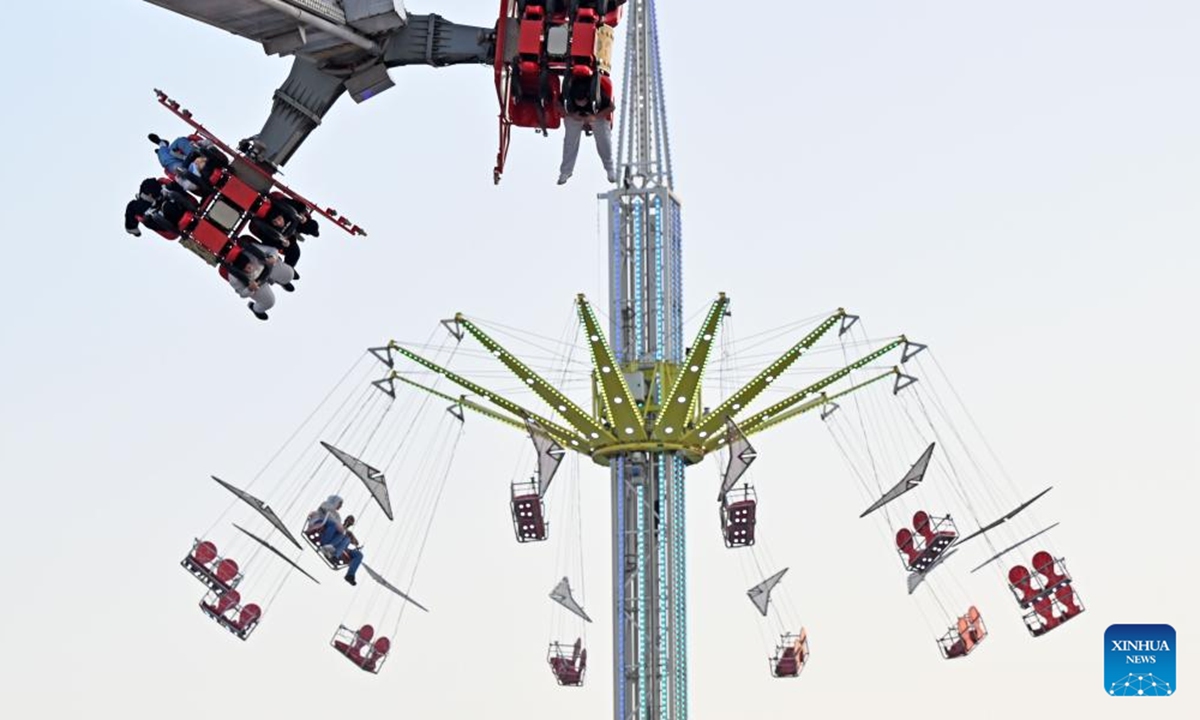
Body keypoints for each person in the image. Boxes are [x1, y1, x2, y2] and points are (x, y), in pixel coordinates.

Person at [218, 236, 296, 321]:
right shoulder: (233, 277)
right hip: (257, 284)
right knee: (269, 302)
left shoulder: (252, 250)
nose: (249, 269)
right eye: (244, 268)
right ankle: (255, 309)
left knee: (289, 275)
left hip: (266, 266)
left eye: (248, 264)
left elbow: (273, 250)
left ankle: (281, 281)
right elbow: (242, 294)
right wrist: (250, 289)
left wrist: (273, 257)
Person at [558, 79, 617, 185]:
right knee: (570, 141)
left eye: (582, 101)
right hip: (574, 115)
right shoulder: (569, 93)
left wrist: (594, 117)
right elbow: (557, 105)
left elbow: (611, 107)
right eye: (578, 101)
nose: (580, 104)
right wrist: (572, 115)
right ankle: (566, 172)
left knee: (603, 140)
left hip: (596, 114)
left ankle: (610, 168)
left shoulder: (598, 95)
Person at [305, 495, 364, 586]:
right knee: (343, 535)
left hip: (341, 547)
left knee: (359, 554)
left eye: (351, 521)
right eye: (340, 503)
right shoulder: (329, 510)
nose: (340, 506)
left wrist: (351, 537)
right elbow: (333, 522)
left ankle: (350, 575)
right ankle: (331, 550)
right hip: (330, 538)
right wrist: (344, 530)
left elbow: (355, 542)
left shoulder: (344, 527)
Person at [123, 177, 194, 237]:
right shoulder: (138, 206)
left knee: (172, 195)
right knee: (164, 208)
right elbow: (148, 221)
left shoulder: (155, 186)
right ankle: (180, 231)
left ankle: (194, 210)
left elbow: (175, 186)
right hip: (168, 220)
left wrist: (168, 189)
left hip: (181, 205)